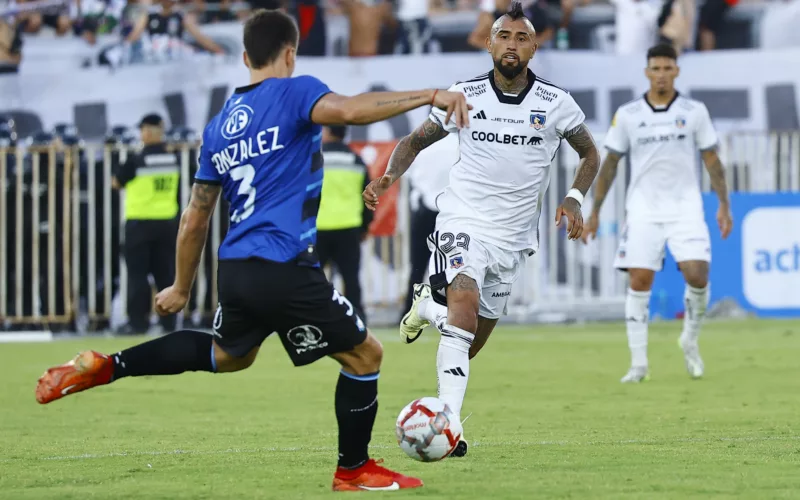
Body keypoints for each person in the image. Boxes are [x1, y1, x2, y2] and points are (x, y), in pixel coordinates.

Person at [35, 9, 469, 492]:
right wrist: (430, 95)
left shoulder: (219, 125)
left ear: (245, 57)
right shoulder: (294, 91)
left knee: (227, 354)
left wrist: (181, 286)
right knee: (366, 355)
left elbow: (195, 215)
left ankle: (109, 366)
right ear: (290, 53)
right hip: (283, 262)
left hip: (237, 265)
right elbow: (349, 111)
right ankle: (353, 469)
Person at [364, 1, 599, 458]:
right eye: (503, 36)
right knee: (464, 308)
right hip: (463, 219)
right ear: (489, 44)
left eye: (521, 38)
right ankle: (449, 425)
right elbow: (414, 140)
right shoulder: (463, 95)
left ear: (534, 48)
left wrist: (574, 198)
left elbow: (589, 153)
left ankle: (426, 308)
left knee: (468, 343)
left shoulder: (556, 103)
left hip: (513, 238)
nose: (512, 45)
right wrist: (389, 176)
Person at [581, 44, 732, 383]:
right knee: (639, 280)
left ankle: (689, 340)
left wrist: (724, 204)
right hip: (644, 208)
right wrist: (595, 211)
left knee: (697, 275)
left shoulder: (694, 111)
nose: (661, 75)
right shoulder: (629, 114)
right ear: (647, 72)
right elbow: (610, 164)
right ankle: (639, 364)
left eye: (667, 68)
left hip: (685, 207)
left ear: (676, 71)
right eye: (656, 68)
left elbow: (712, 160)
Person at [111, 113, 181, 335]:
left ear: (149, 132)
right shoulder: (173, 158)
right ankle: (168, 322)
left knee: (138, 276)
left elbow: (116, 182)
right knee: (166, 274)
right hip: (167, 223)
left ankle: (137, 323)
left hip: (140, 224)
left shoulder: (137, 159)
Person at [316, 125, 372, 324]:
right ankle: (357, 320)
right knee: (351, 279)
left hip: (318, 228)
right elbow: (368, 196)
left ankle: (311, 317)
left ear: (327, 131)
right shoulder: (356, 160)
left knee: (312, 278)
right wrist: (365, 226)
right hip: (349, 227)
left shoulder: (315, 159)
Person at [400, 131, 457, 317]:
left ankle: (409, 311)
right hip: (452, 210)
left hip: (425, 208)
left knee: (418, 264)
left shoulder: (422, 144)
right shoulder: (462, 144)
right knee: (453, 264)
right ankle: (452, 311)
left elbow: (412, 177)